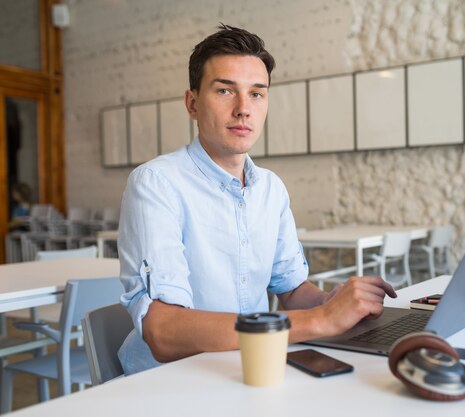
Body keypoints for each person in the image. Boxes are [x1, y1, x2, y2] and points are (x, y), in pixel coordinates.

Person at [117, 24, 396, 375]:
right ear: (192, 103)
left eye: (257, 94)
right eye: (224, 91)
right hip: (170, 382)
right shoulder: (156, 184)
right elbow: (164, 332)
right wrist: (320, 320)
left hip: (249, 367)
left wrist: (336, 302)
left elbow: (293, 291)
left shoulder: (270, 188)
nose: (243, 109)